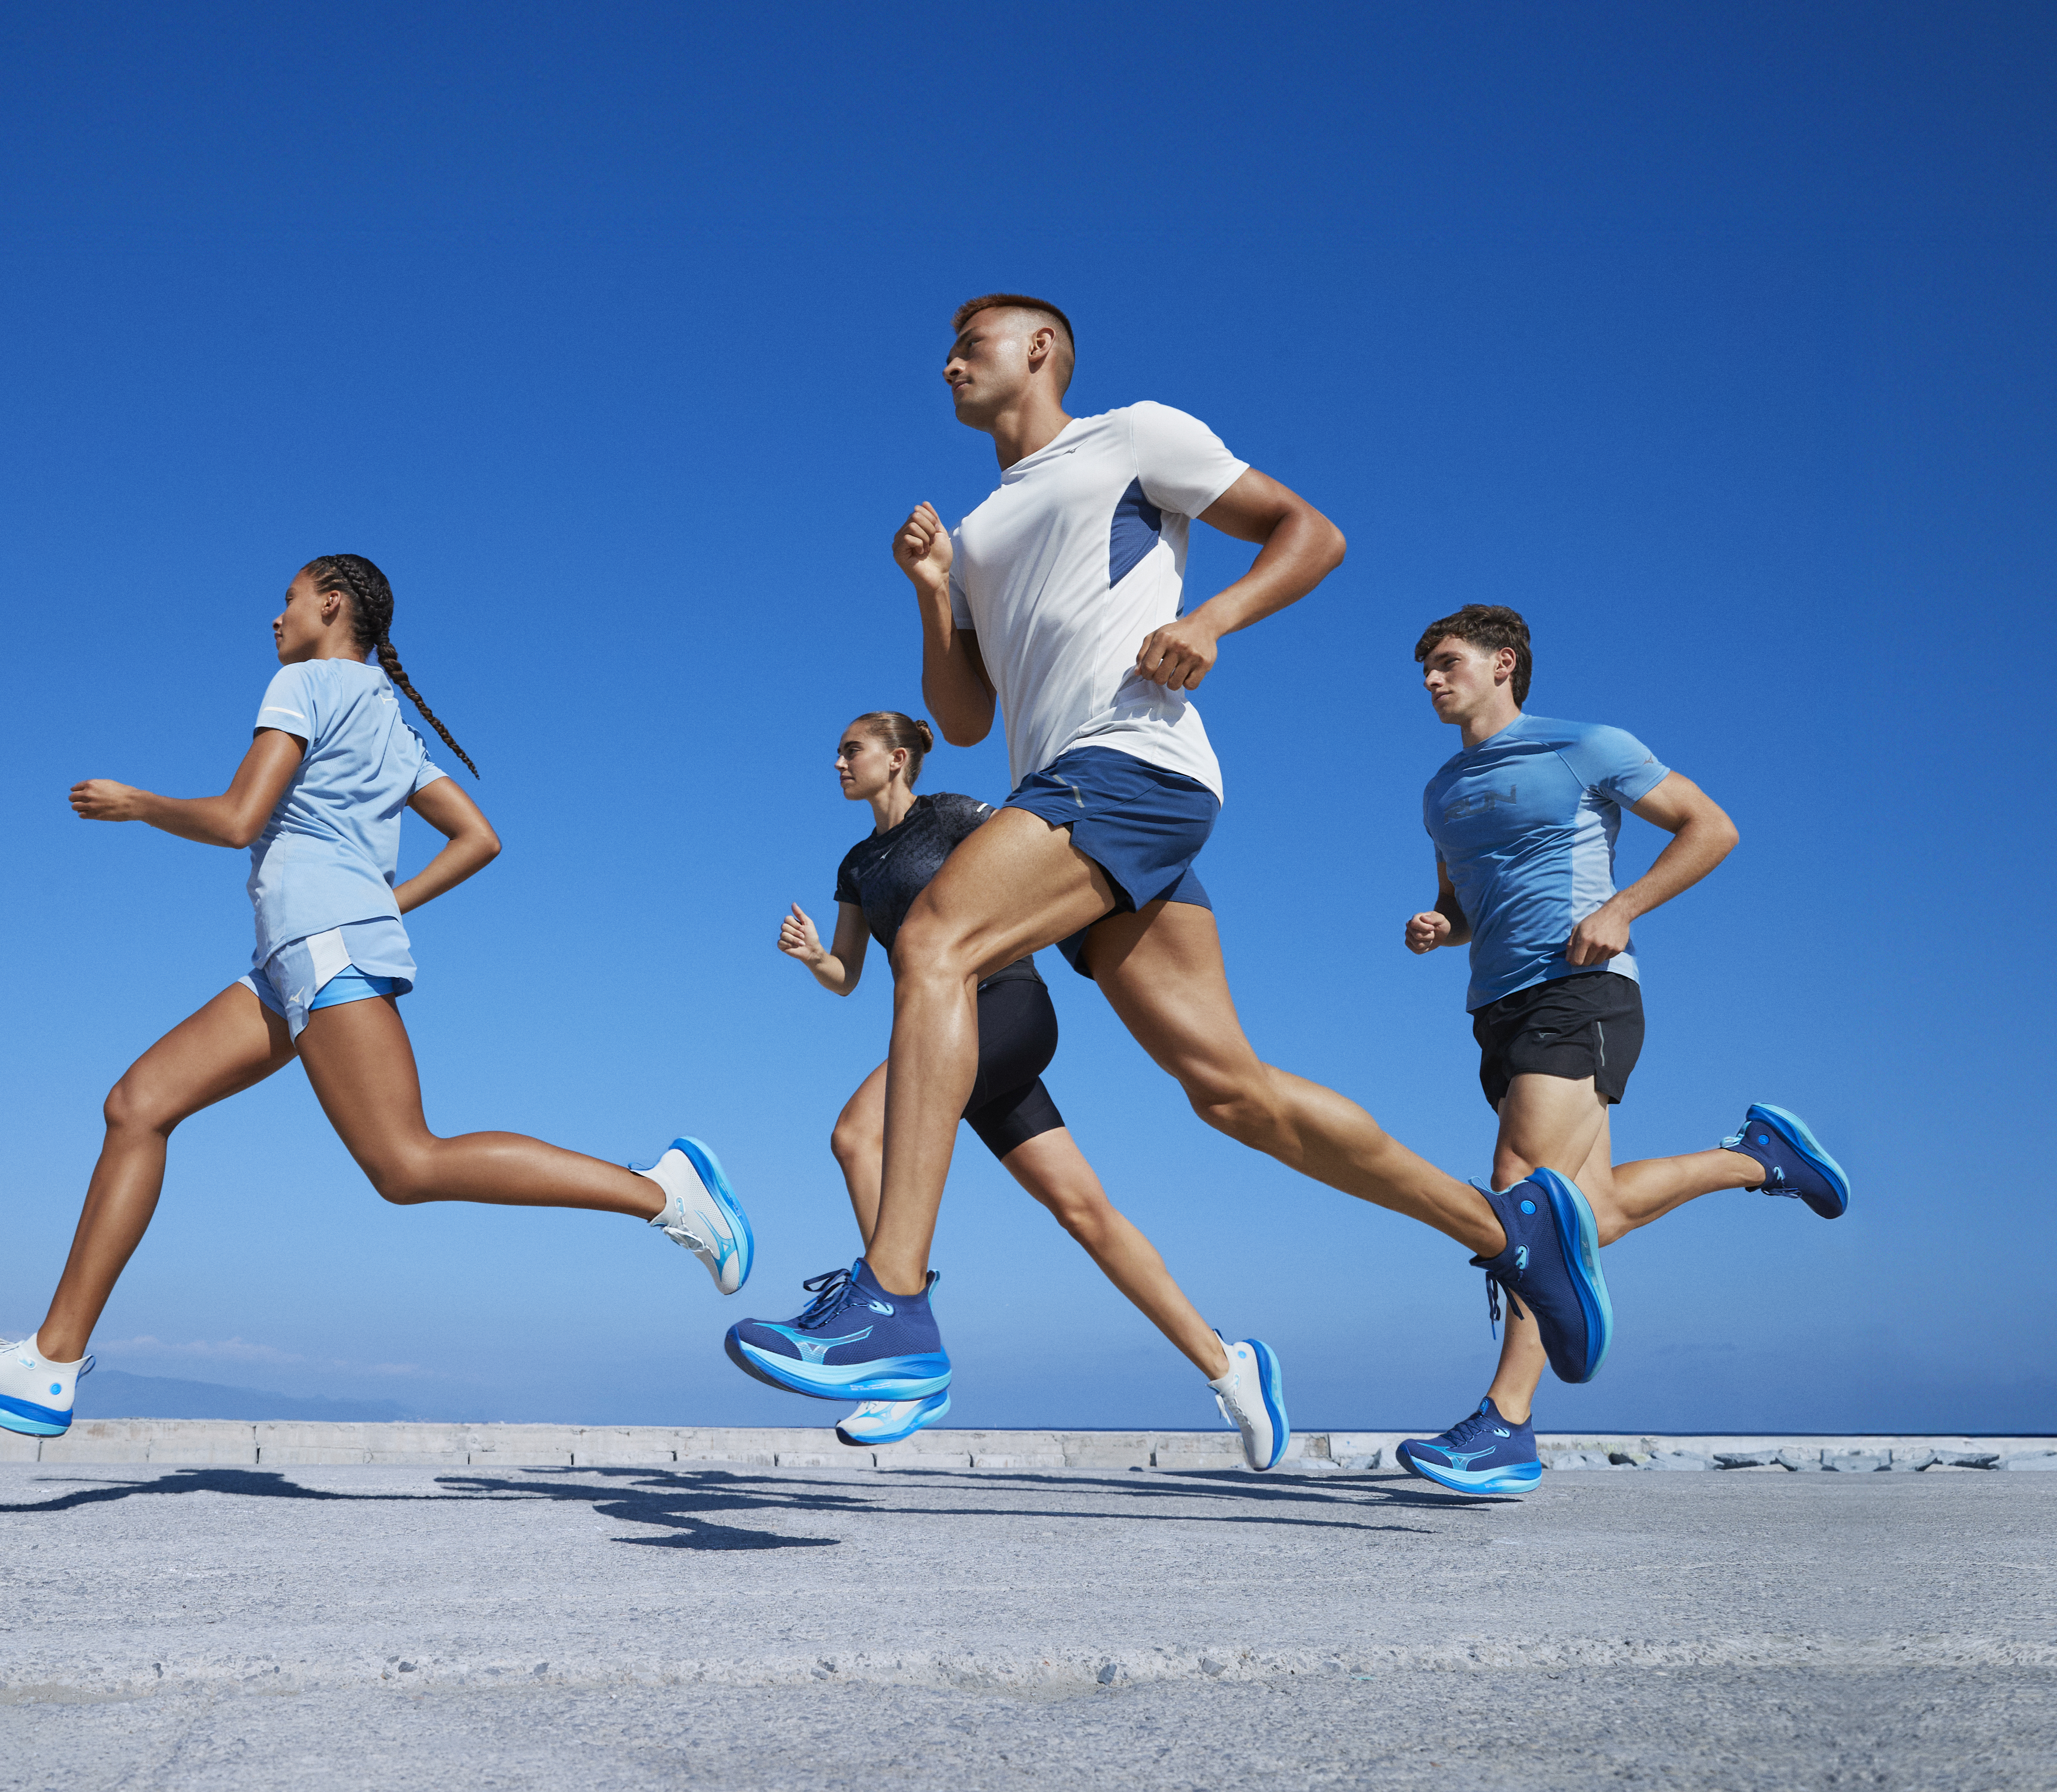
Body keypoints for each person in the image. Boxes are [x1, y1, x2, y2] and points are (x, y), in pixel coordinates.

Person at [728, 295, 1611, 1414]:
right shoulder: (983, 524)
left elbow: (1310, 532)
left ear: (1040, 350)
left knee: (937, 939)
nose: (948, 364)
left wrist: (1213, 620)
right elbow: (956, 715)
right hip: (1069, 797)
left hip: (1132, 766)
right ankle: (1506, 1227)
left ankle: (894, 1302)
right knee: (1231, 1094)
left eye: (971, 344)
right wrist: (934, 590)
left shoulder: (1132, 435)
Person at [0, 554, 752, 1437]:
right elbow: (479, 838)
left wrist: (140, 803)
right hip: (291, 958)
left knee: (407, 1162)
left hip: (319, 946)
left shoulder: (307, 683)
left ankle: (664, 1193)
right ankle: (51, 1362)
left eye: (288, 601)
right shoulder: (384, 713)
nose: (275, 619)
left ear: (331, 605)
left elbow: (240, 817)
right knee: (137, 1105)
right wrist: (382, 899)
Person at [1390, 605, 1850, 1496]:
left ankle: (1507, 1424)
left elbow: (1709, 826)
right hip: (1495, 1007)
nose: (1430, 679)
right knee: (1587, 1214)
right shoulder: (1440, 791)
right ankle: (1758, 1159)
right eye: (1423, 668)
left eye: (1446, 662)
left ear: (1503, 664)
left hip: (1583, 990)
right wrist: (1438, 925)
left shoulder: (1584, 744)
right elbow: (1465, 906)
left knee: (1527, 1197)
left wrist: (1622, 907)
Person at [757, 710, 1285, 1464]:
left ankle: (898, 1332)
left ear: (897, 758)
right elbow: (848, 978)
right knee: (1084, 1210)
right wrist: (814, 956)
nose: (838, 763)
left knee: (856, 1133)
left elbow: (1043, 870)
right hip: (943, 1042)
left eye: (851, 750)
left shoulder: (955, 816)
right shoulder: (856, 865)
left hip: (1004, 1007)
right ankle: (1227, 1365)